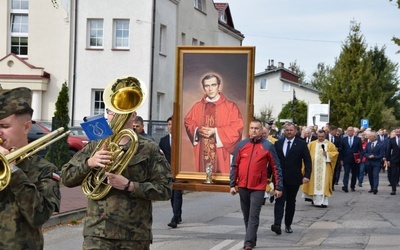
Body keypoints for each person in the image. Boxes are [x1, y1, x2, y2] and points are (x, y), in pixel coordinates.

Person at [62, 108, 173, 249]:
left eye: (119, 110)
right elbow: (66, 177)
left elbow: (165, 189)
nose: (113, 115)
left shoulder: (149, 148)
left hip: (134, 236)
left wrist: (130, 186)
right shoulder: (96, 145)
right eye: (110, 111)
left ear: (133, 115)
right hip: (97, 233)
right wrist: (90, 163)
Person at [0, 87, 61, 249]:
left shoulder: (45, 169)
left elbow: (39, 216)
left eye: (4, 126)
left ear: (26, 127)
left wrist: (12, 170)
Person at [230, 119, 283, 250]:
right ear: (249, 129)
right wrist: (232, 184)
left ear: (261, 131)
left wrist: (279, 186)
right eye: (252, 128)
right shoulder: (242, 145)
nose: (254, 130)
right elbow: (235, 165)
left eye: (256, 128)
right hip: (242, 186)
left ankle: (248, 243)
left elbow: (276, 167)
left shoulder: (268, 146)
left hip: (258, 187)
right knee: (247, 215)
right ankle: (252, 239)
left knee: (254, 214)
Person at [184, 74, 244, 174]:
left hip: (221, 153)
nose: (210, 89)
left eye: (213, 85)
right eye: (207, 86)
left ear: (219, 86)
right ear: (203, 88)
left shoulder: (230, 106)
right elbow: (188, 122)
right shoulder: (197, 106)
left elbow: (237, 128)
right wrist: (197, 130)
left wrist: (215, 131)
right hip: (202, 152)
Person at [271, 122, 312, 235]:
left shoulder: (301, 144)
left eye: (291, 130)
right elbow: (273, 161)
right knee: (279, 200)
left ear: (295, 131)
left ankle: (288, 224)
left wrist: (307, 175)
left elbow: (307, 161)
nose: (289, 132)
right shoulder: (278, 144)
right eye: (287, 130)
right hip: (280, 178)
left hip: (294, 178)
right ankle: (277, 224)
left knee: (290, 202)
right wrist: (268, 176)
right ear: (284, 131)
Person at [302, 129, 338, 207]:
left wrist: (327, 154)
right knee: (313, 184)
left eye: (322, 136)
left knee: (324, 185)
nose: (320, 138)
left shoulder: (330, 145)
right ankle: (314, 200)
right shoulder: (311, 144)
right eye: (319, 136)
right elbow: (305, 155)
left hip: (325, 169)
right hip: (313, 169)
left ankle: (323, 202)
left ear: (325, 136)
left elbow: (335, 154)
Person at [159, 116, 183, 228]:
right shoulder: (163, 141)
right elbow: (160, 157)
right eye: (169, 124)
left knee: (177, 194)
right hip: (168, 172)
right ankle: (178, 214)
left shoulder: (182, 140)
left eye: (173, 124)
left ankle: (175, 217)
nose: (171, 126)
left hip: (179, 172)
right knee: (172, 195)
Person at [340, 126, 362, 192]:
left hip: (355, 159)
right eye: (348, 130)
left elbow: (361, 150)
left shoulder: (358, 139)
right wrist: (341, 159)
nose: (350, 131)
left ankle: (352, 186)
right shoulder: (343, 139)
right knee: (346, 172)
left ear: (353, 131)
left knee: (354, 173)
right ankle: (345, 186)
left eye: (351, 130)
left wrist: (360, 158)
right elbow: (341, 150)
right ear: (346, 131)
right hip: (346, 159)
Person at [385, 126, 400, 195]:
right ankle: (393, 189)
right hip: (394, 159)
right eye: (397, 132)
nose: (398, 133)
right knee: (393, 174)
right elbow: (388, 150)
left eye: (399, 132)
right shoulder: (392, 140)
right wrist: (388, 160)